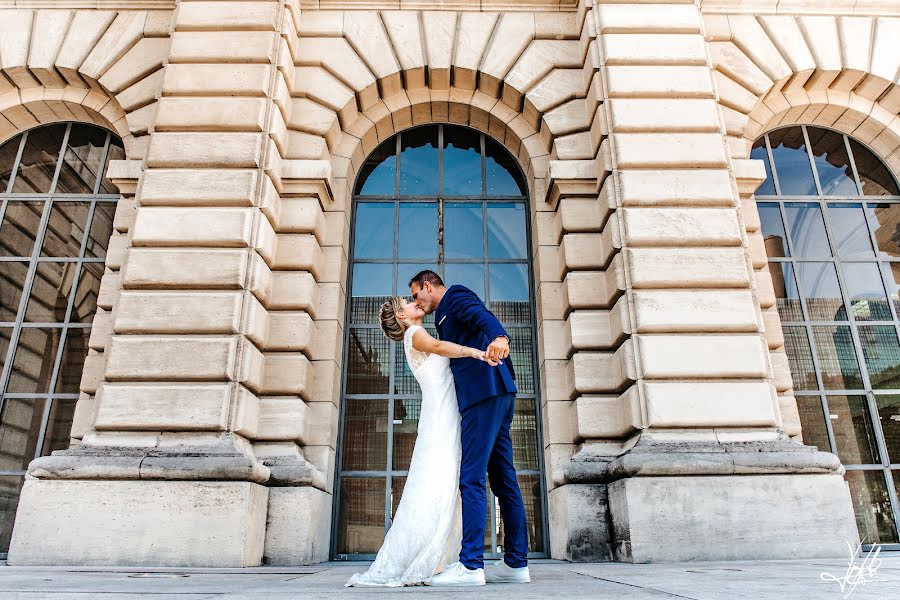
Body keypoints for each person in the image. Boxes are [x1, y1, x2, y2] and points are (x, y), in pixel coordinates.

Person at [345, 296, 498, 587]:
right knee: (439, 480)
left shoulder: (414, 335)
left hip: (441, 413)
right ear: (402, 316)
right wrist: (476, 353)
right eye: (408, 302)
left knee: (439, 481)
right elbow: (440, 348)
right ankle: (434, 554)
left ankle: (443, 554)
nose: (415, 303)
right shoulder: (415, 334)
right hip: (441, 416)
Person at [411, 270, 530, 587]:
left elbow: (483, 317)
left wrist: (500, 338)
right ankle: (517, 564)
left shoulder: (456, 296)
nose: (417, 302)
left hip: (483, 394)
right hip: (496, 393)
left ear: (427, 286)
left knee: (472, 477)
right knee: (504, 479)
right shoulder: (441, 318)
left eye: (416, 295)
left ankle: (471, 565)